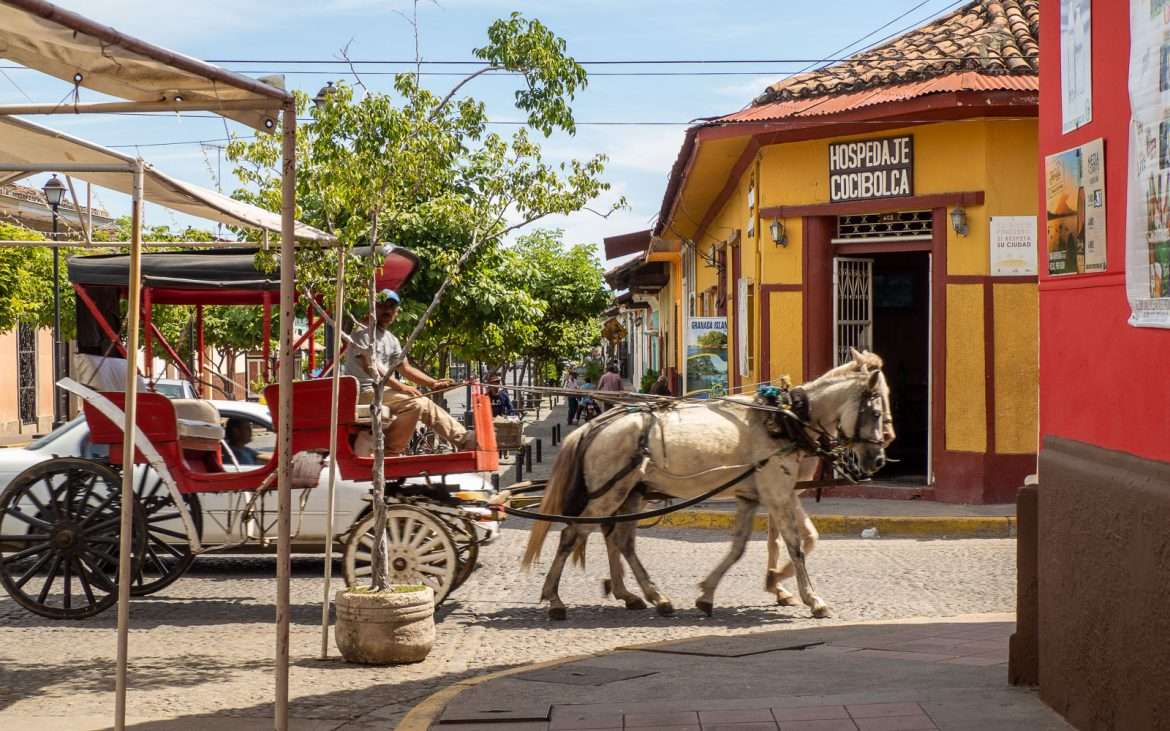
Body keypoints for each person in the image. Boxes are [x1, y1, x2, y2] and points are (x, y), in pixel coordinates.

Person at [344, 289, 474, 455]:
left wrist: (433, 383)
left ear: (397, 312)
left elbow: (405, 368)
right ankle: (391, 451)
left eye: (392, 307)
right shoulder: (362, 333)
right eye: (382, 305)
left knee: (424, 402)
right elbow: (371, 367)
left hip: (381, 392)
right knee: (415, 403)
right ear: (373, 308)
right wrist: (402, 387)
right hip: (363, 392)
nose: (387, 310)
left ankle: (464, 440)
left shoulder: (392, 339)